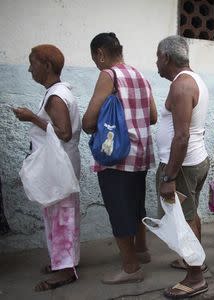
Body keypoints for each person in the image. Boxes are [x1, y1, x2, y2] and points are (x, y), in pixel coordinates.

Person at [82, 33, 157, 284]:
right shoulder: (141, 76)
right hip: (141, 154)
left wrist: (89, 124)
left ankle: (130, 268)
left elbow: (90, 121)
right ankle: (142, 251)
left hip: (117, 156)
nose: (96, 63)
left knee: (119, 210)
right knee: (136, 205)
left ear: (101, 53)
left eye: (95, 58)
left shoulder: (108, 75)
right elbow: (153, 116)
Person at [12, 44, 81, 291]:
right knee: (59, 215)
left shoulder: (56, 97)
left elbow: (64, 133)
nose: (30, 69)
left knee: (61, 217)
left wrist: (31, 118)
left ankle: (65, 271)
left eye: (33, 63)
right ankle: (63, 262)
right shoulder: (58, 92)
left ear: (47, 66)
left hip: (59, 165)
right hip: (61, 164)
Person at [155, 35, 210, 299]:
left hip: (183, 168)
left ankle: (195, 277)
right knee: (190, 214)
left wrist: (169, 176)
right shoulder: (194, 79)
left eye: (157, 56)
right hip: (193, 162)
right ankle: (195, 260)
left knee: (183, 221)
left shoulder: (182, 86)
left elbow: (181, 136)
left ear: (166, 57)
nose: (156, 62)